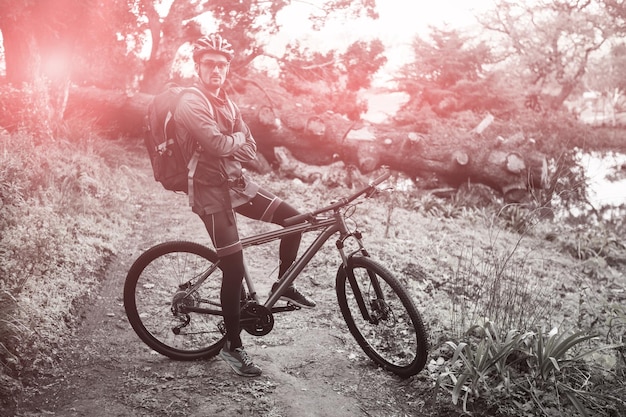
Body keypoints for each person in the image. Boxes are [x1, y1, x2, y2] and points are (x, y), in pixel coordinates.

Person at [173, 33, 316, 377]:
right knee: (234, 270)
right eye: (210, 65)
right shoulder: (190, 102)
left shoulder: (229, 105)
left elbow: (249, 149)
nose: (216, 71)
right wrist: (230, 142)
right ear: (198, 67)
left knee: (295, 219)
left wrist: (229, 142)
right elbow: (216, 143)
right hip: (209, 192)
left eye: (222, 66)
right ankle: (233, 346)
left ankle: (286, 284)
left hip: (237, 185)